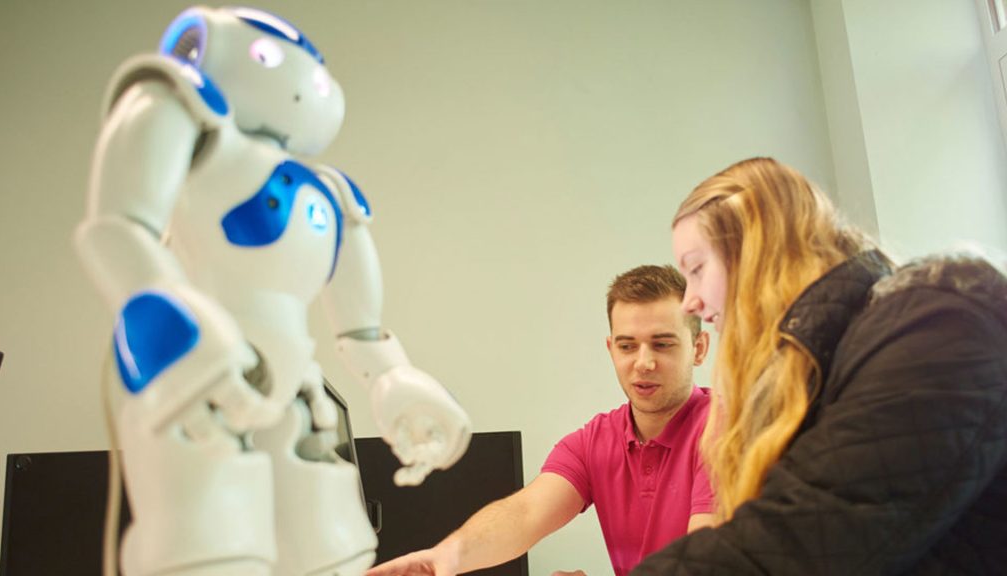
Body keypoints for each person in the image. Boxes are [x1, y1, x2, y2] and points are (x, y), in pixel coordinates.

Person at [633, 156, 1007, 574]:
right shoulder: (824, 369)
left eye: (697, 269)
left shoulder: (938, 324)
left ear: (758, 250)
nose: (690, 302)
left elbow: (797, 541)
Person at [366, 265, 715, 576]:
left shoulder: (730, 430)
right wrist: (446, 557)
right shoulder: (595, 440)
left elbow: (705, 562)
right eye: (627, 346)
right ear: (610, 348)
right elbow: (525, 513)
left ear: (698, 348)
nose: (643, 363)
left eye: (662, 345)